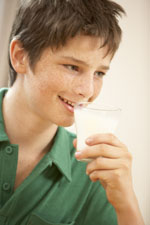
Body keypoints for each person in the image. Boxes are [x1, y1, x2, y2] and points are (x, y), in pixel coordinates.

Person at [0, 0, 145, 224]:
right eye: (72, 67)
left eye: (99, 73)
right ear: (20, 56)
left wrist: (127, 204)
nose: (87, 91)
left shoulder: (94, 171)